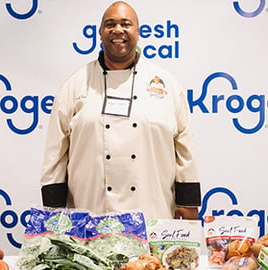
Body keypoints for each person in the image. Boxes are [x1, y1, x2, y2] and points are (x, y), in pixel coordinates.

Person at [40, 1, 201, 220]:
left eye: (126, 24)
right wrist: (53, 212)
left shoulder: (167, 85)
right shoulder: (75, 85)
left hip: (152, 214)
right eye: (110, 24)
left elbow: (185, 151)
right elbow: (55, 153)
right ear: (100, 33)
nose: (118, 30)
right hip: (91, 215)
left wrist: (188, 204)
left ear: (138, 31)